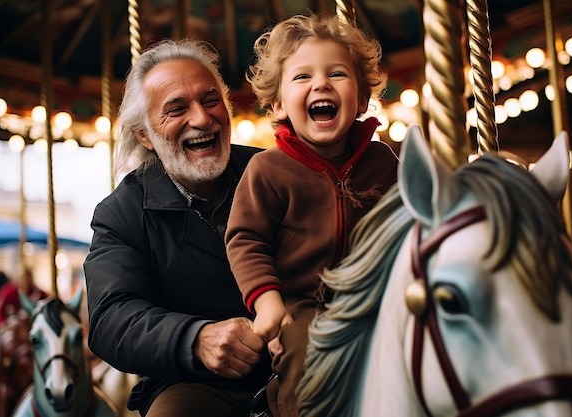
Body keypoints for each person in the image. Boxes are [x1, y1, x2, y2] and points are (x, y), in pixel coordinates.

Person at [83, 39, 271, 417]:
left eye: (211, 99)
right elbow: (110, 318)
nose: (202, 119)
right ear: (145, 135)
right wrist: (194, 339)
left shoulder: (271, 174)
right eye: (176, 109)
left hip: (292, 363)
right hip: (194, 381)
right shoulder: (120, 213)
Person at [225, 14, 399, 417]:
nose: (321, 83)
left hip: (378, 297)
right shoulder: (269, 170)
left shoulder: (383, 162)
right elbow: (245, 240)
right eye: (302, 77)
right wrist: (269, 304)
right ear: (279, 102)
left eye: (337, 74)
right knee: (304, 355)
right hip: (305, 304)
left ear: (360, 98)